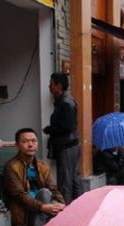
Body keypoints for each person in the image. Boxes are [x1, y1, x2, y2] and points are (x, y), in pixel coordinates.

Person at [2, 128, 68, 226]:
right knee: (45, 194)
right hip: (23, 210)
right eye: (25, 141)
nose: (30, 144)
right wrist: (44, 207)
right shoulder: (11, 167)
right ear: (17, 145)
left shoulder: (42, 166)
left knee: (49, 198)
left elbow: (53, 188)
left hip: (40, 210)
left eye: (33, 141)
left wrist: (63, 204)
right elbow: (19, 195)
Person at [44, 72, 82, 204]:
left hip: (67, 145)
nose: (49, 87)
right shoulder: (66, 101)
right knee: (73, 178)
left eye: (51, 84)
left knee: (65, 180)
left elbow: (67, 126)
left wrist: (50, 129)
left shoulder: (65, 102)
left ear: (58, 86)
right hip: (70, 144)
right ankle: (78, 207)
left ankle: (66, 210)